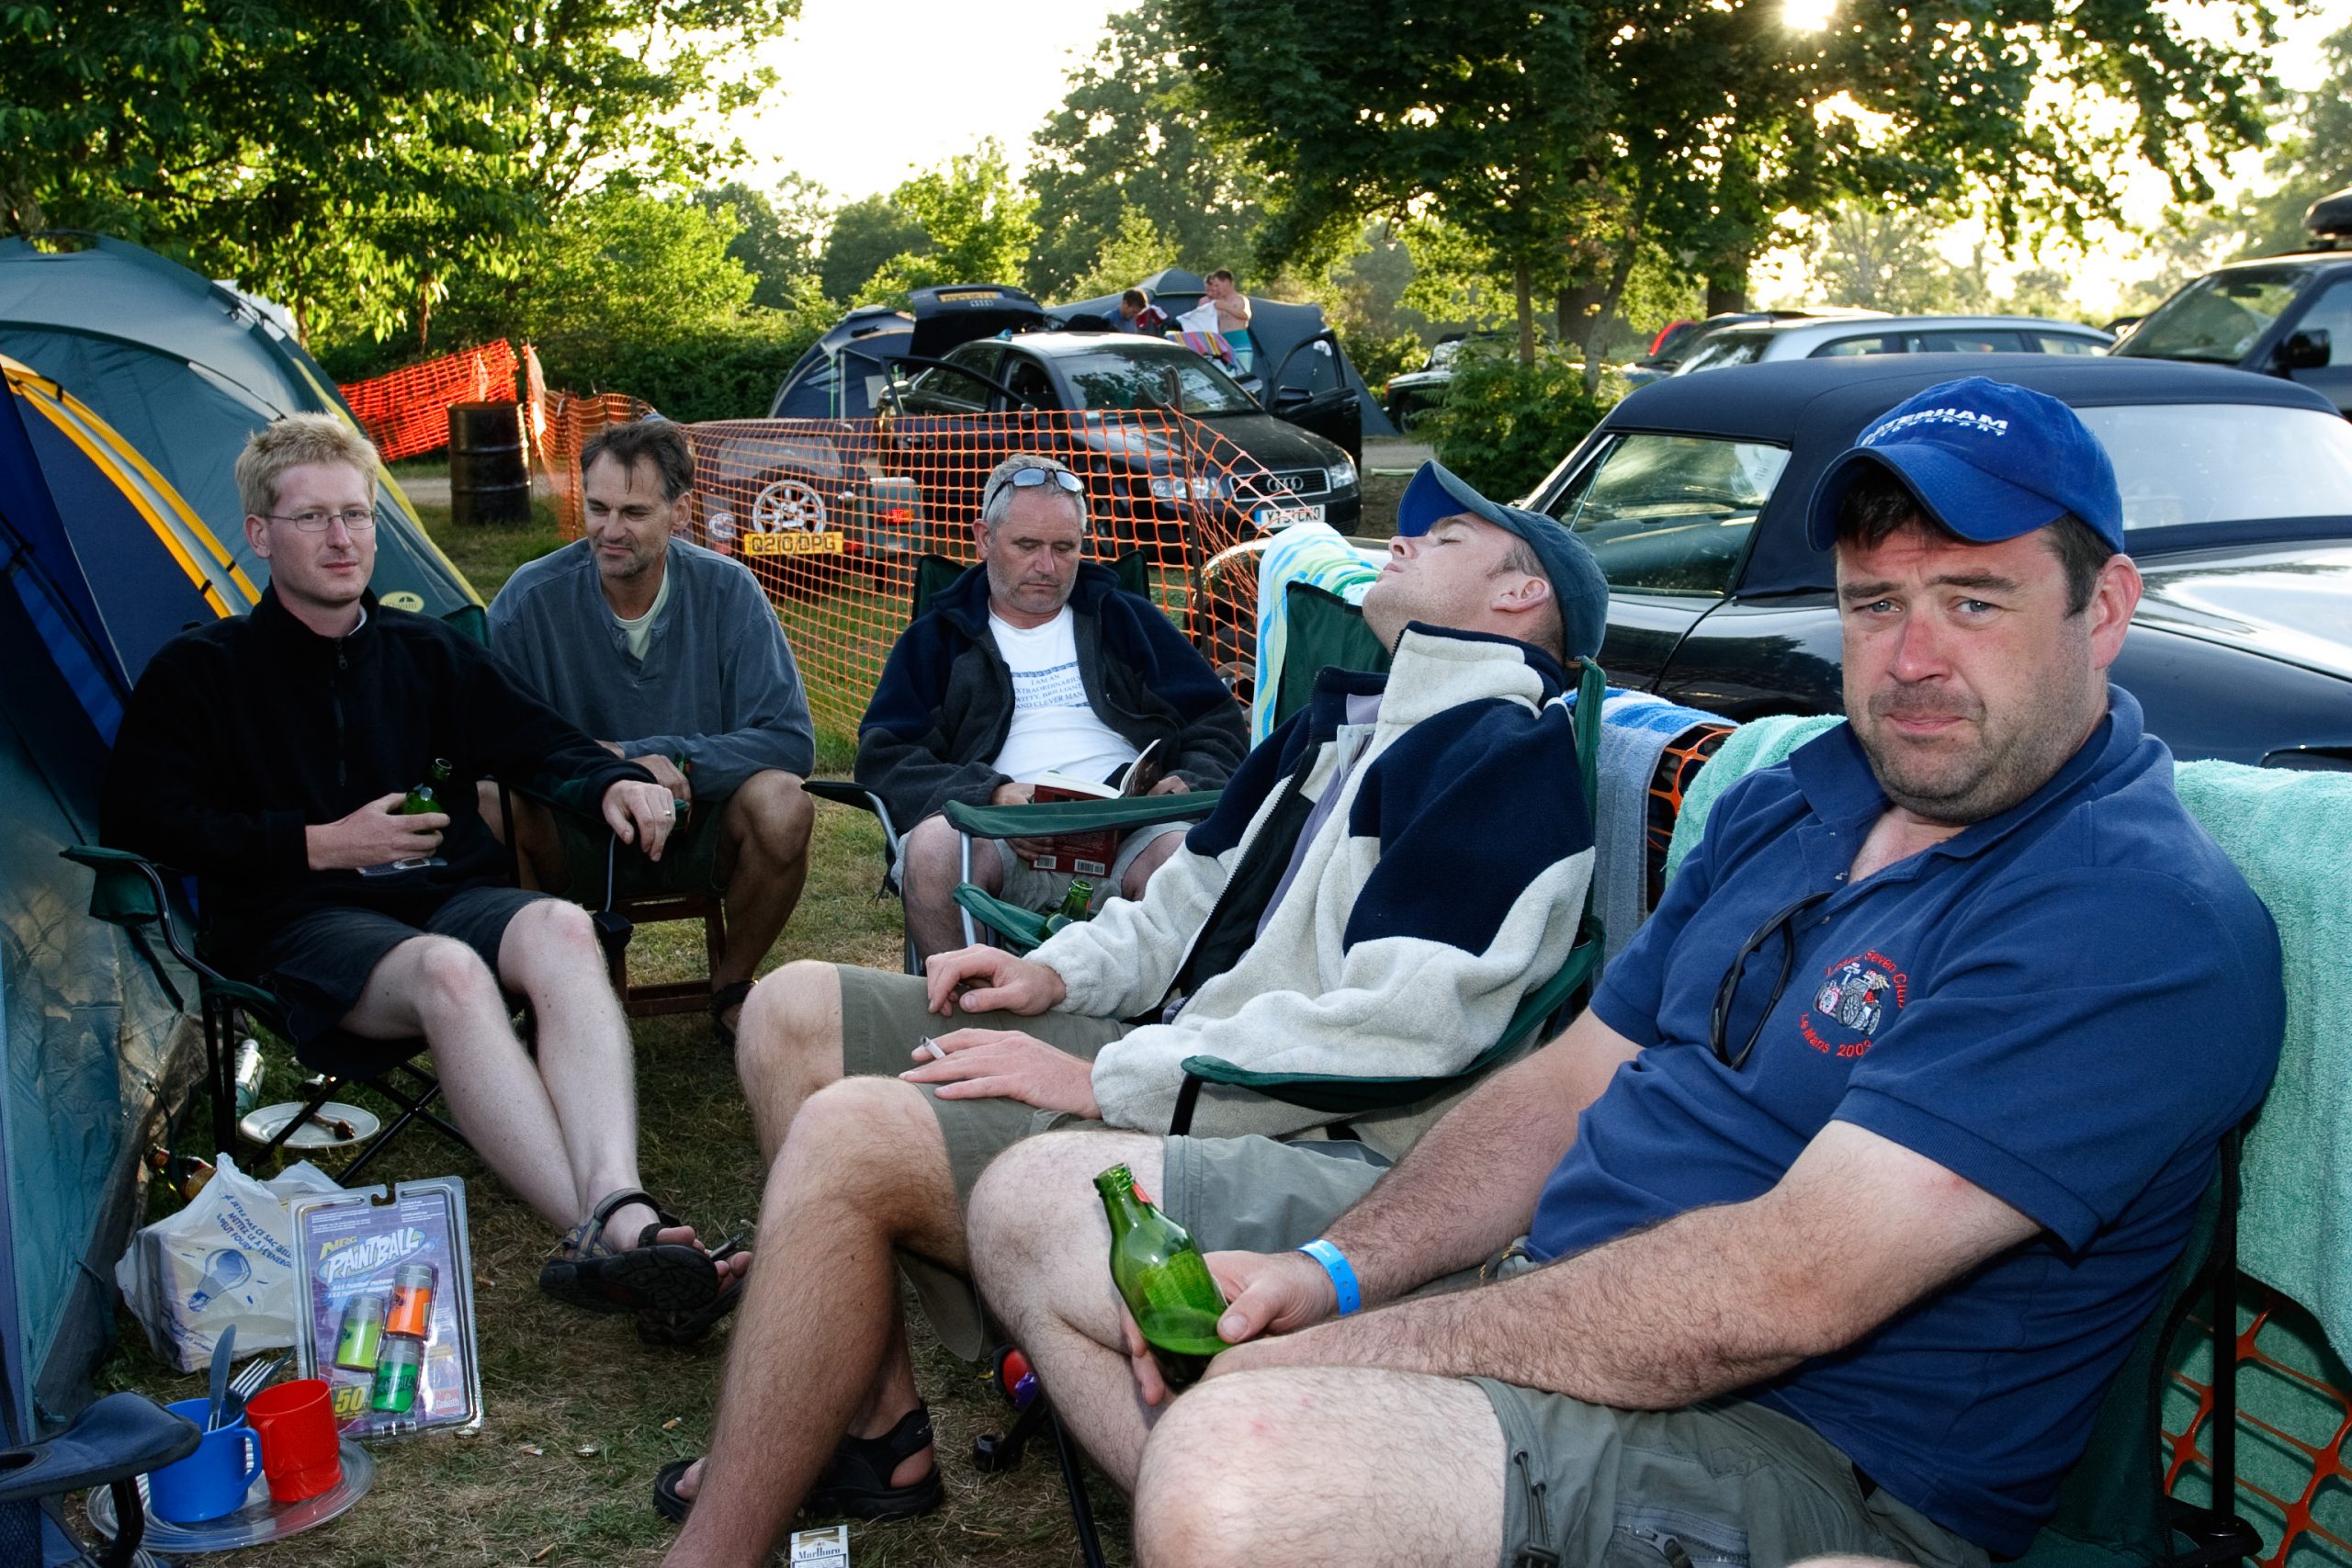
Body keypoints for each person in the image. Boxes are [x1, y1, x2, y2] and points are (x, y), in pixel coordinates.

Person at [967, 377, 2287, 1568]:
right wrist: (1338, 1269)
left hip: (1809, 1451)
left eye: (1974, 600)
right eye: (1875, 603)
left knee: (1243, 1467)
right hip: (1551, 1294)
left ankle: (1275, 1500)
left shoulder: (2130, 913)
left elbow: (1783, 1287)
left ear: (2103, 607)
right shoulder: (1796, 800)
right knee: (1033, 1198)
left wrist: (1332, 1355)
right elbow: (1568, 1084)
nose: (1913, 655)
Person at [650, 460, 1611, 1565]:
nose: (1398, 543)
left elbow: (1404, 1030)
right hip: (1183, 1045)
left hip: (1304, 1128)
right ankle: (873, 1419)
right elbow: (1184, 903)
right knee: (790, 1009)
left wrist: (1104, 1079)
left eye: (1442, 541)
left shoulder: (1497, 757)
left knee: (851, 1132)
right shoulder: (1341, 723)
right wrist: (1054, 977)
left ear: (1516, 598)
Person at [103, 413, 749, 1344]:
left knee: (563, 929)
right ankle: (616, 1243)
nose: (341, 539)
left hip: (439, 894)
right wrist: (318, 844)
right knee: (449, 970)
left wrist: (612, 779)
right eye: (313, 518)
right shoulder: (202, 672)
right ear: (258, 534)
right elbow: (143, 819)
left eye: (358, 516)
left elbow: (532, 740)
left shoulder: (423, 653)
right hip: (297, 921)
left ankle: (620, 1209)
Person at [486, 417, 816, 1046]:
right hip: (576, 830)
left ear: (680, 511)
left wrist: (662, 758)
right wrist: (607, 774)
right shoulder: (529, 599)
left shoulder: (730, 590)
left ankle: (732, 989)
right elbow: (496, 742)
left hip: (702, 827)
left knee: (784, 802)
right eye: (599, 508)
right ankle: (546, 999)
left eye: (634, 511)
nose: (611, 530)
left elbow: (789, 739)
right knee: (486, 804)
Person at [854, 451, 1250, 962]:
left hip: (1130, 829)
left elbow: (1217, 724)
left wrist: (1190, 779)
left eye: (1065, 547)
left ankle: (1160, 1028)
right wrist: (990, 795)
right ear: (983, 539)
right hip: (998, 835)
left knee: (1185, 859)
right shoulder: (938, 640)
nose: (1047, 566)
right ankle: (963, 1024)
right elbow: (886, 755)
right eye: (1027, 545)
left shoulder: (1126, 621)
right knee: (933, 850)